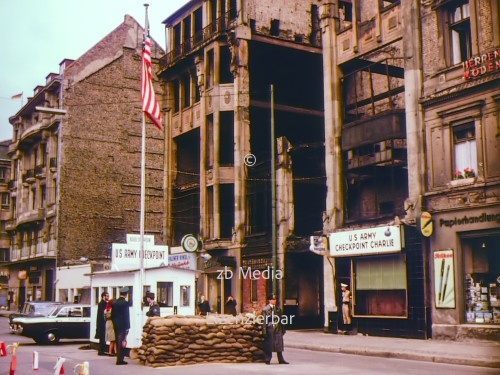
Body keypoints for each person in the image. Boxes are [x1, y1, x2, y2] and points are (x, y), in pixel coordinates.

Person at [261, 294, 289, 365]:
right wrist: (264, 331)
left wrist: (283, 329)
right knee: (269, 344)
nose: (274, 301)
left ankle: (281, 359)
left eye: (275, 299)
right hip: (270, 327)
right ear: (269, 300)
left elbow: (281, 319)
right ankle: (268, 359)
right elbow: (264, 321)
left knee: (279, 344)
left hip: (278, 327)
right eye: (273, 299)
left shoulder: (278, 309)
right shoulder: (265, 310)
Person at [111, 287, 130, 365]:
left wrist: (114, 323)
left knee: (117, 342)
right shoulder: (125, 303)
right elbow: (126, 316)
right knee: (122, 343)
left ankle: (119, 359)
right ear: (126, 294)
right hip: (123, 326)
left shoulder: (114, 303)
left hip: (116, 325)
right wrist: (128, 326)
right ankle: (120, 360)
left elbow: (112, 315)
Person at [95, 291, 109, 356]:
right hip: (102, 322)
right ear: (103, 297)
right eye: (107, 296)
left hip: (102, 322)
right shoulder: (102, 304)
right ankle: (101, 351)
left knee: (103, 337)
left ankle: (102, 350)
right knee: (102, 337)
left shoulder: (102, 304)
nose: (108, 297)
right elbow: (103, 313)